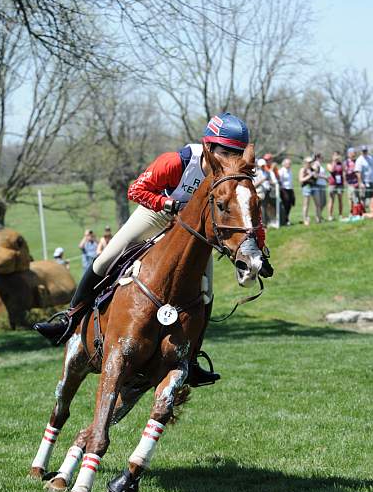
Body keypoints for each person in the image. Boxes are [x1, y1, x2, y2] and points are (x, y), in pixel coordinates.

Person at [34, 112, 274, 386]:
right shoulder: (178, 161)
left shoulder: (235, 177)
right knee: (105, 260)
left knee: (206, 292)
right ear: (208, 148)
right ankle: (69, 319)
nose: (231, 160)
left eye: (237, 153)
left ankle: (192, 357)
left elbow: (246, 215)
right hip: (157, 213)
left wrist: (259, 250)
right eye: (225, 152)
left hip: (192, 229)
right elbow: (136, 190)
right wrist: (167, 205)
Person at [299, 157, 319, 226]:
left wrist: (315, 173)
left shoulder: (313, 169)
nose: (309, 163)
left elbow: (316, 177)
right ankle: (305, 219)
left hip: (314, 187)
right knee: (306, 204)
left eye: (310, 162)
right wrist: (309, 175)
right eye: (308, 162)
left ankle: (318, 218)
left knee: (317, 203)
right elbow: (301, 179)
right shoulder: (303, 170)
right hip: (306, 187)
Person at [327, 151, 345, 221]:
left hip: (340, 184)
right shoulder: (329, 164)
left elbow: (344, 170)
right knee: (331, 200)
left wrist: (340, 162)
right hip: (332, 184)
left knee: (340, 200)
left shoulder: (341, 164)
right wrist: (334, 161)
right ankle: (330, 216)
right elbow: (331, 170)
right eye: (334, 155)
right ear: (332, 156)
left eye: (337, 155)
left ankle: (340, 215)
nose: (336, 157)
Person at [355, 145, 373, 214]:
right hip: (364, 182)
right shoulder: (359, 160)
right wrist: (361, 183)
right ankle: (362, 213)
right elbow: (357, 172)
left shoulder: (370, 158)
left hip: (371, 181)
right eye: (363, 151)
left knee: (372, 196)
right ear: (361, 152)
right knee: (363, 197)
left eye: (365, 151)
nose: (364, 152)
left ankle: (371, 212)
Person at [254, 158, 272, 225]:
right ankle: (264, 223)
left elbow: (270, 181)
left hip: (266, 192)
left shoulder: (266, 172)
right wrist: (263, 180)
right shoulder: (255, 173)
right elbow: (254, 185)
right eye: (261, 165)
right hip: (259, 193)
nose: (262, 166)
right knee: (262, 208)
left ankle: (267, 221)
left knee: (266, 207)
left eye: (263, 165)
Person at [278, 158, 295, 225]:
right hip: (284, 189)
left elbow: (290, 181)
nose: (289, 165)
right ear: (284, 164)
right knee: (286, 204)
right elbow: (280, 181)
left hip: (290, 189)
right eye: (288, 163)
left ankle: (286, 218)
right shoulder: (281, 171)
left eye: (290, 163)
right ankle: (284, 219)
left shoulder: (290, 171)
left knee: (290, 204)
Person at [312, 153, 328, 221]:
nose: (323, 158)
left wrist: (327, 178)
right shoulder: (316, 164)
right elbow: (315, 174)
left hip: (323, 184)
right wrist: (324, 177)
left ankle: (319, 215)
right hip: (318, 184)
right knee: (319, 203)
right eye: (321, 157)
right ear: (318, 157)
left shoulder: (320, 165)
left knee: (323, 202)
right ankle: (317, 217)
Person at [345, 147, 359, 214]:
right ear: (349, 154)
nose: (354, 154)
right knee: (350, 198)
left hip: (357, 183)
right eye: (353, 152)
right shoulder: (346, 162)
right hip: (350, 183)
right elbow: (345, 172)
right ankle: (351, 212)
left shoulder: (357, 161)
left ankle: (357, 212)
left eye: (354, 152)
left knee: (356, 198)